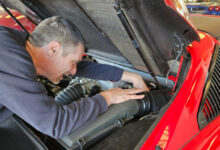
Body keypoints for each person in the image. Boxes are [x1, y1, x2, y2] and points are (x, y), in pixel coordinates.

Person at [0, 16, 149, 138]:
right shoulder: (13, 61)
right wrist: (107, 98)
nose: (73, 71)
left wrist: (131, 76)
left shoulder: (16, 44)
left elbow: (75, 67)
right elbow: (56, 124)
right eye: (73, 62)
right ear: (53, 48)